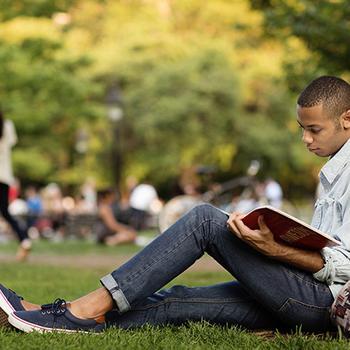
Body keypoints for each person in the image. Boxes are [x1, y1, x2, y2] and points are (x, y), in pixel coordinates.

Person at [1, 75, 350, 334]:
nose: (305, 139)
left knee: (204, 220)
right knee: (176, 302)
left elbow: (344, 268)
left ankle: (81, 310)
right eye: (302, 128)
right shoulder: (334, 171)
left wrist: (276, 252)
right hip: (296, 291)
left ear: (346, 119)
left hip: (320, 304)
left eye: (314, 130)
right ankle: (49, 316)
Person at [0, 110, 31, 261]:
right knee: (5, 212)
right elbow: (12, 141)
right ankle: (24, 240)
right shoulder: (7, 125)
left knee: (5, 212)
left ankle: (24, 240)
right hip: (4, 175)